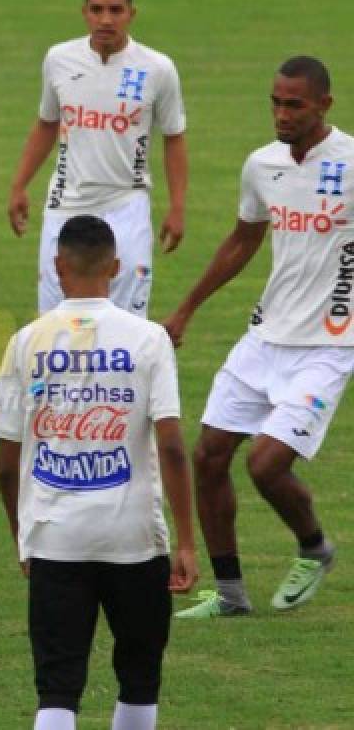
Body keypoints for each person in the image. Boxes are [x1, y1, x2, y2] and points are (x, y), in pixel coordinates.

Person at [0, 215, 197, 730]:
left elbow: (5, 463)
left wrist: (23, 538)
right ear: (117, 267)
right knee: (140, 677)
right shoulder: (149, 340)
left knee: (57, 687)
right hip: (134, 539)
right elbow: (170, 445)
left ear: (57, 266)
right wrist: (188, 542)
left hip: (57, 538)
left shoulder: (26, 340)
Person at [167, 56, 349, 619]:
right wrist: (187, 308)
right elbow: (243, 241)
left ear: (324, 105)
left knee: (266, 465)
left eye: (294, 104)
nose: (282, 113)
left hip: (329, 345)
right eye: (276, 101)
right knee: (209, 455)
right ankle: (229, 594)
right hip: (264, 339)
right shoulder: (262, 165)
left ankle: (315, 548)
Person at [7, 0, 188, 318]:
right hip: (66, 202)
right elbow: (47, 123)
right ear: (84, 12)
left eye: (116, 10)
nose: (106, 19)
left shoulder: (157, 69)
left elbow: (174, 137)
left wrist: (177, 207)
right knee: (55, 319)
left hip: (126, 204)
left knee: (127, 320)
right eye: (97, 9)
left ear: (131, 13)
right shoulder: (59, 59)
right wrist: (19, 185)